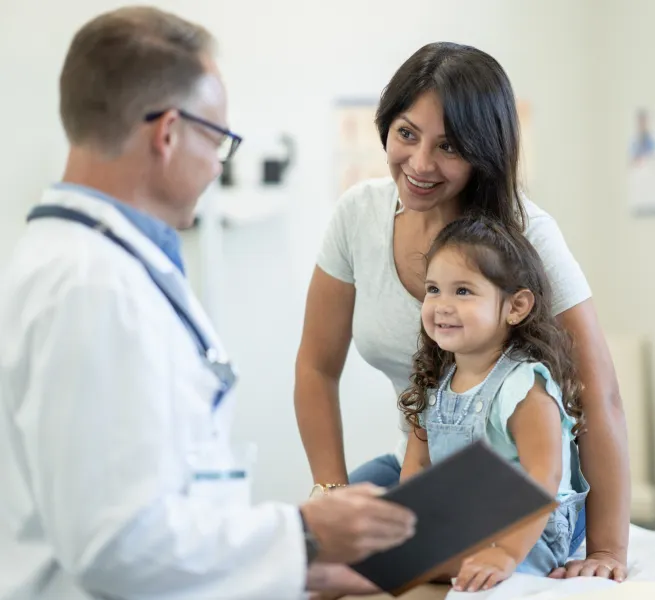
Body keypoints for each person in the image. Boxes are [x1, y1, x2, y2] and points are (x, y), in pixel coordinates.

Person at [0, 7, 415, 600]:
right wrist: (303, 532)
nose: (218, 166)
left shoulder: (96, 266)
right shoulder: (91, 286)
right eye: (218, 140)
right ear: (168, 134)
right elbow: (115, 544)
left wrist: (300, 572)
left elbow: (148, 513)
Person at [294, 41, 631, 579]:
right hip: (426, 468)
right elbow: (316, 367)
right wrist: (332, 494)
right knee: (302, 556)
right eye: (407, 133)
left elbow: (599, 393)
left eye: (448, 146)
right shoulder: (358, 215)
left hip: (520, 491)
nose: (420, 163)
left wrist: (608, 551)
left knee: (375, 572)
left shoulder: (527, 236)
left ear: (483, 151)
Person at [399, 215, 590, 591]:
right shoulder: (436, 383)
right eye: (434, 289)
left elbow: (544, 477)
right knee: (368, 551)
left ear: (515, 307)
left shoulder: (523, 386)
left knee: (412, 564)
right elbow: (416, 468)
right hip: (465, 522)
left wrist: (505, 552)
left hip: (526, 529)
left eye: (463, 291)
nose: (442, 305)